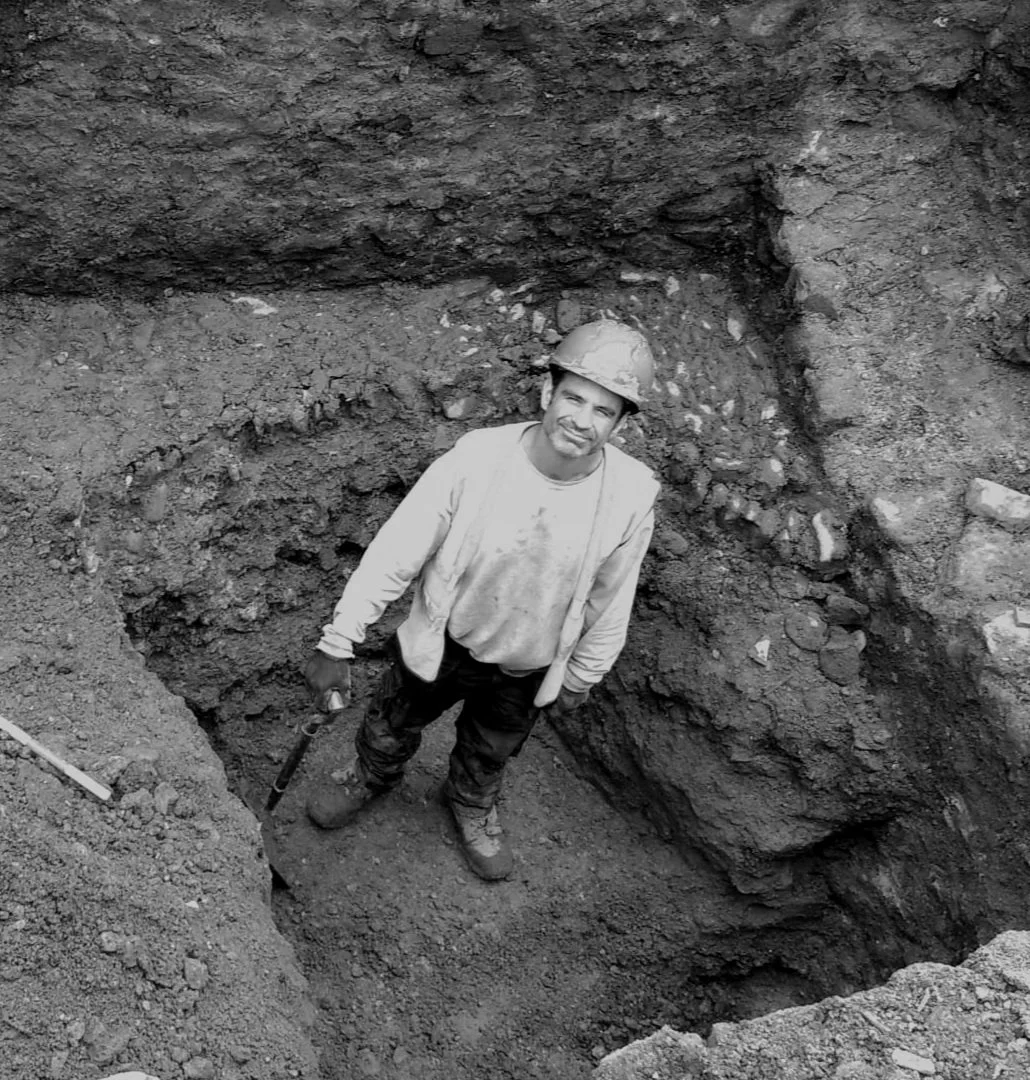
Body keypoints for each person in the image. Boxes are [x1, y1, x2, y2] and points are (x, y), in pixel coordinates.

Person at [303, 318, 660, 880]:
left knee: (492, 748)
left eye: (603, 410)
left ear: (620, 424)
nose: (582, 420)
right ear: (547, 391)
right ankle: (370, 775)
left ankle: (471, 803)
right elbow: (397, 551)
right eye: (574, 398)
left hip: (527, 663)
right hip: (447, 641)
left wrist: (582, 675)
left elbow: (613, 597)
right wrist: (338, 640)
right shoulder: (477, 461)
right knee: (392, 720)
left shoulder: (631, 496)